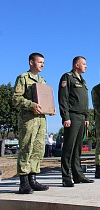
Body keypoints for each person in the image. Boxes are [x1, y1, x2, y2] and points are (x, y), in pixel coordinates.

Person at [13, 52, 55, 194]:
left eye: (43, 62)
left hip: (41, 120)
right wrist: (32, 105)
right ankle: (23, 182)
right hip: (28, 120)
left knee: (38, 149)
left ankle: (33, 179)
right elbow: (16, 99)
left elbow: (45, 100)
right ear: (31, 62)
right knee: (26, 148)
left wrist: (50, 108)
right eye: (39, 62)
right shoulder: (23, 78)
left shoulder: (42, 81)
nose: (42, 65)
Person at [58, 56, 94, 187]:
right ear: (76, 65)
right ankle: (66, 177)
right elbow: (63, 98)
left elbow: (84, 102)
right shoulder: (67, 77)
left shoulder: (83, 81)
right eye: (84, 64)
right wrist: (65, 117)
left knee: (78, 148)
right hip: (72, 117)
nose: (86, 66)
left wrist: (87, 117)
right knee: (69, 147)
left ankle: (78, 175)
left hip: (82, 117)